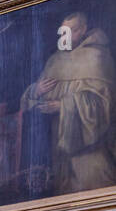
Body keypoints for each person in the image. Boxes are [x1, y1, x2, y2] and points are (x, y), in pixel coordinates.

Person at [22, 12, 116, 194]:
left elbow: (106, 105)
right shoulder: (55, 60)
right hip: (59, 146)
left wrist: (63, 106)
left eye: (71, 31)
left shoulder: (98, 57)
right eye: (63, 31)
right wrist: (36, 91)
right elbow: (32, 101)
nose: (65, 36)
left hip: (90, 148)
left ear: (83, 30)